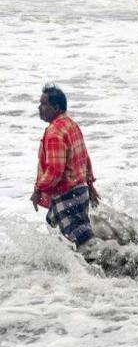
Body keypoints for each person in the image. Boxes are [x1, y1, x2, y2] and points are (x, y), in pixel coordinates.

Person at [31, 84, 100, 248]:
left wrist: (37, 189)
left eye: (43, 104)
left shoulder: (55, 133)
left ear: (56, 107)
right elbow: (84, 156)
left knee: (82, 245)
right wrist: (89, 184)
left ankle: (102, 267)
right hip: (80, 192)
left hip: (66, 195)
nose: (39, 108)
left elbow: (55, 171)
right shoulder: (71, 124)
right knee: (54, 229)